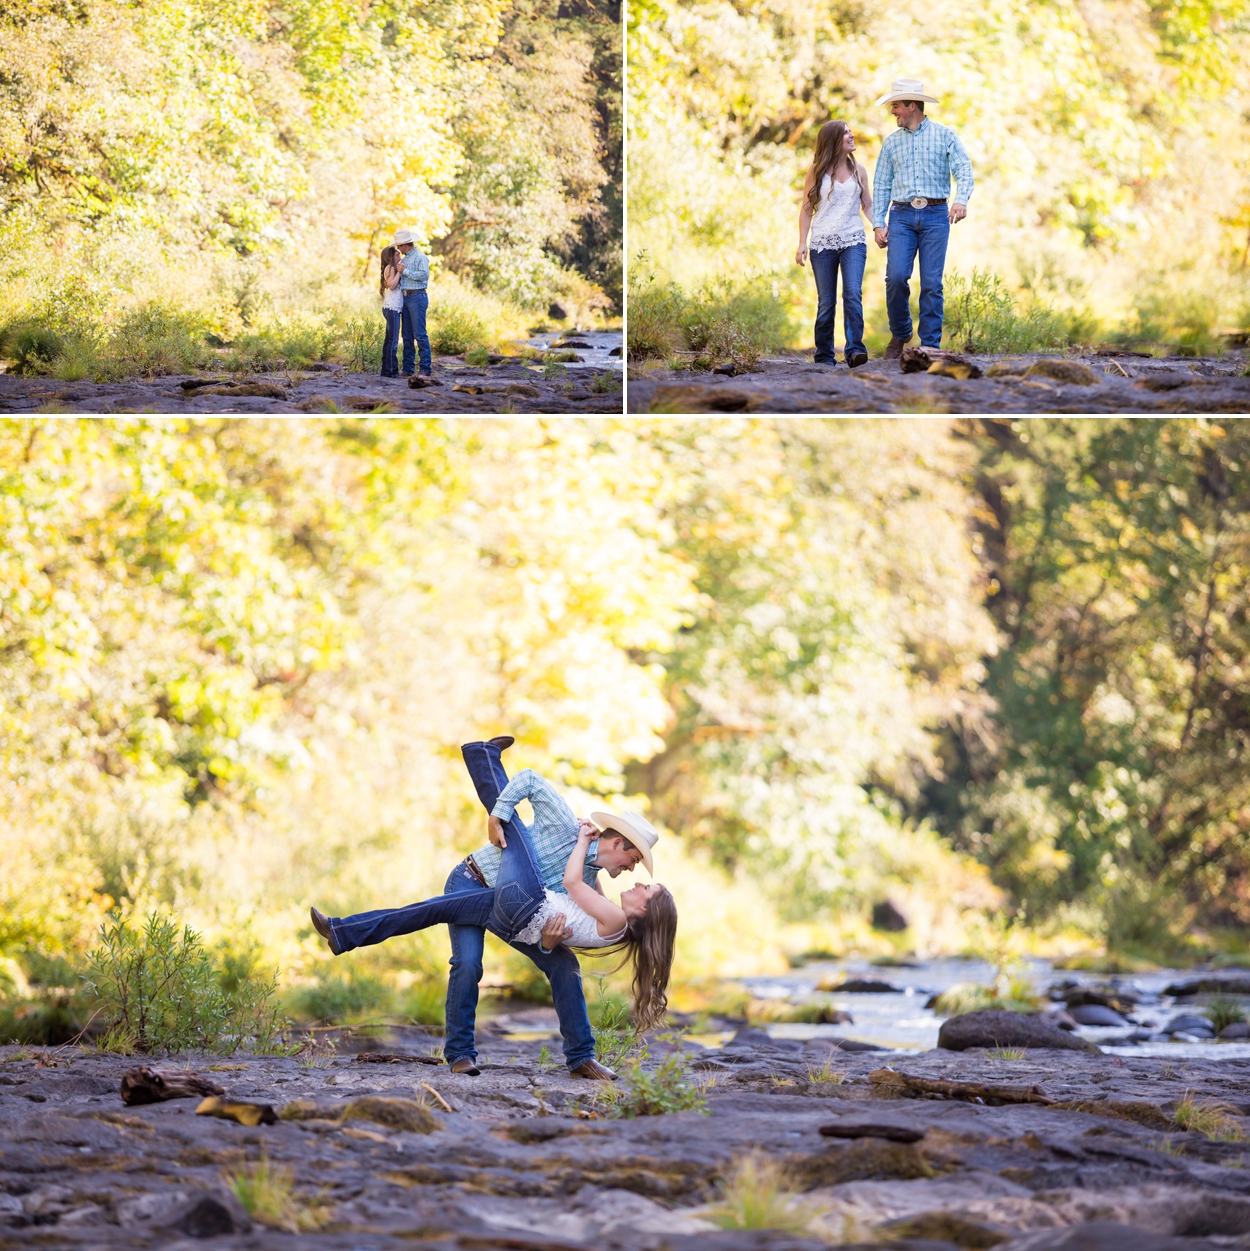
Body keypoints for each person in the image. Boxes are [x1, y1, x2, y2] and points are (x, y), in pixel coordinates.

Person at [311, 738, 671, 1080]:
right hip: (473, 880)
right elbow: (530, 779)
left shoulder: (590, 875)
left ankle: (581, 1058)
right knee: (467, 962)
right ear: (619, 842)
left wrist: (547, 946)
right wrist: (496, 815)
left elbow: (571, 917)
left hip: (518, 909)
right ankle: (460, 1053)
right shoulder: (567, 824)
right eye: (634, 859)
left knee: (565, 966)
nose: (632, 870)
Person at [870, 78, 974, 362]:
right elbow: (880, 185)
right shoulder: (891, 143)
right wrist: (878, 223)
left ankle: (929, 347)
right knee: (896, 278)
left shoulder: (945, 135)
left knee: (931, 283)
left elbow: (964, 169)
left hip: (936, 216)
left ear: (911, 105)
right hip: (901, 216)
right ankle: (901, 331)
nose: (893, 112)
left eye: (896, 106)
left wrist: (961, 199)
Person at [795, 120, 872, 369]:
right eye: (846, 132)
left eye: (851, 130)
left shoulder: (859, 169)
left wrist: (880, 226)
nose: (852, 135)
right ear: (833, 140)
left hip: (853, 240)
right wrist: (801, 243)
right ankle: (825, 355)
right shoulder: (816, 170)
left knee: (852, 294)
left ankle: (854, 350)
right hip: (822, 243)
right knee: (826, 301)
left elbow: (867, 205)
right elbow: (807, 209)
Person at [392, 227, 433, 377]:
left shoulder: (420, 257)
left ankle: (425, 369)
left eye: (399, 246)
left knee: (420, 334)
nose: (398, 248)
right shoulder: (405, 258)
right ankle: (408, 369)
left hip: (417, 297)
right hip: (406, 297)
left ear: (404, 245)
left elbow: (424, 276)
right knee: (407, 335)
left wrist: (405, 272)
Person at [379, 245, 404, 378]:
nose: (399, 255)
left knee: (389, 341)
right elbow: (392, 286)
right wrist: (400, 272)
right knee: (393, 341)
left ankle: (386, 371)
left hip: (392, 308)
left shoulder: (392, 268)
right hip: (392, 308)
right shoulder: (391, 268)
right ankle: (392, 372)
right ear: (390, 256)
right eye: (396, 254)